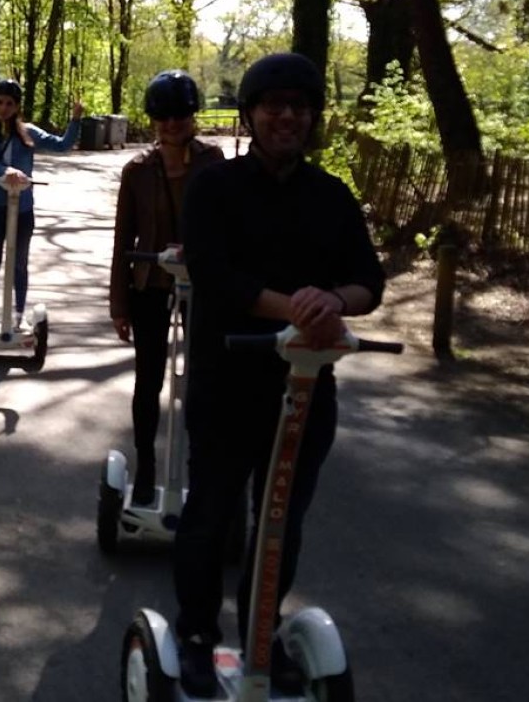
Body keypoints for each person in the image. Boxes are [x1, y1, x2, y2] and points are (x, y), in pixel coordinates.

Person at [172, 52, 387, 698]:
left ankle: (261, 634)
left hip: (304, 393)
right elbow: (215, 275)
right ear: (251, 115)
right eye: (274, 105)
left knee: (281, 521)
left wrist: (335, 302)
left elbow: (368, 281)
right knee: (211, 513)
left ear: (312, 117)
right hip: (227, 383)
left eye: (299, 106)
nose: (287, 116)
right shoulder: (215, 188)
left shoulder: (333, 196)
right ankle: (197, 635)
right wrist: (295, 307)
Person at [108, 70, 224, 505]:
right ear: (154, 120)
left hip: (204, 285)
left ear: (193, 115)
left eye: (181, 114)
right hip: (150, 282)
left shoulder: (213, 162)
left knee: (200, 377)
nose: (173, 123)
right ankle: (146, 465)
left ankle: (197, 466)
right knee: (149, 377)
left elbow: (228, 226)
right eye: (164, 116)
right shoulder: (137, 171)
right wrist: (119, 304)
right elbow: (123, 239)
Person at [0, 78, 82, 330]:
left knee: (19, 263)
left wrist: (75, 119)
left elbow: (63, 145)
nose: (3, 108)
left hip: (22, 210)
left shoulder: (29, 132)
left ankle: (18, 315)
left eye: (9, 103)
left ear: (17, 107)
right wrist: (6, 170)